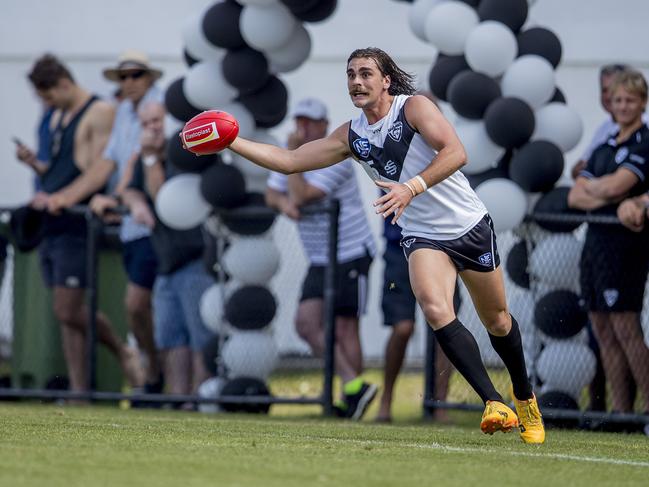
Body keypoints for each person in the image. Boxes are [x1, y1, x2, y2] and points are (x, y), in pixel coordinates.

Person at [212, 47, 544, 442]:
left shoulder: (414, 108)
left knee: (498, 321)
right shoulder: (352, 135)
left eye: (366, 73)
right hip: (423, 235)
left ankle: (524, 398)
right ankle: (494, 403)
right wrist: (230, 142)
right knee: (435, 307)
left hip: (469, 225)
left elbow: (457, 152)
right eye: (351, 74)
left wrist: (411, 187)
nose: (357, 81)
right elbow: (289, 161)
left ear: (386, 80)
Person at [15, 54, 143, 392]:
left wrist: (62, 199)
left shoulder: (99, 112)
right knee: (65, 317)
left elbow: (100, 170)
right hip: (53, 220)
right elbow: (61, 169)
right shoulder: (56, 114)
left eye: (48, 95)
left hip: (75, 222)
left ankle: (123, 351)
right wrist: (38, 170)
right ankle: (78, 390)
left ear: (63, 83)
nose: (46, 102)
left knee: (67, 309)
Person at [265, 98, 377, 420]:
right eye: (298, 121)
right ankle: (355, 387)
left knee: (344, 327)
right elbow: (272, 193)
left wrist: (290, 168)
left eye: (310, 123)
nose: (302, 129)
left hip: (351, 251)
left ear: (324, 126)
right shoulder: (294, 158)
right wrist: (283, 204)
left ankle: (351, 399)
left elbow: (302, 194)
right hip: (320, 256)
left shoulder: (337, 157)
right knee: (306, 323)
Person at [113, 100, 215, 408]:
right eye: (146, 124)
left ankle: (197, 399)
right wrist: (135, 203)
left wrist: (147, 158)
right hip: (166, 263)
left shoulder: (182, 153)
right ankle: (178, 399)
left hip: (194, 259)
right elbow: (129, 190)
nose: (153, 128)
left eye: (157, 121)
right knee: (171, 338)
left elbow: (161, 196)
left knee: (199, 338)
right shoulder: (144, 158)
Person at [568, 70, 649, 414]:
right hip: (596, 245)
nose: (624, 106)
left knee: (625, 327)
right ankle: (621, 411)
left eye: (631, 100)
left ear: (642, 103)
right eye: (618, 100)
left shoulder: (644, 142)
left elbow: (618, 184)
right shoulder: (604, 145)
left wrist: (603, 189)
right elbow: (575, 197)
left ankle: (647, 407)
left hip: (625, 249)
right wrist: (613, 196)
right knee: (602, 327)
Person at [89, 50, 164, 394]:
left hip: (160, 224)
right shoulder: (122, 112)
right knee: (138, 307)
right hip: (133, 225)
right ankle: (152, 373)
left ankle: (159, 376)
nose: (130, 82)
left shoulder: (158, 108)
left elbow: (139, 162)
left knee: (142, 303)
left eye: (136, 75)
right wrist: (78, 196)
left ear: (149, 77)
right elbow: (110, 163)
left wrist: (115, 197)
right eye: (124, 76)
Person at [571, 64, 649, 179]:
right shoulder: (604, 128)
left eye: (629, 100)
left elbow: (615, 187)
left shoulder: (645, 129)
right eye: (605, 90)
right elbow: (578, 171)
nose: (608, 96)